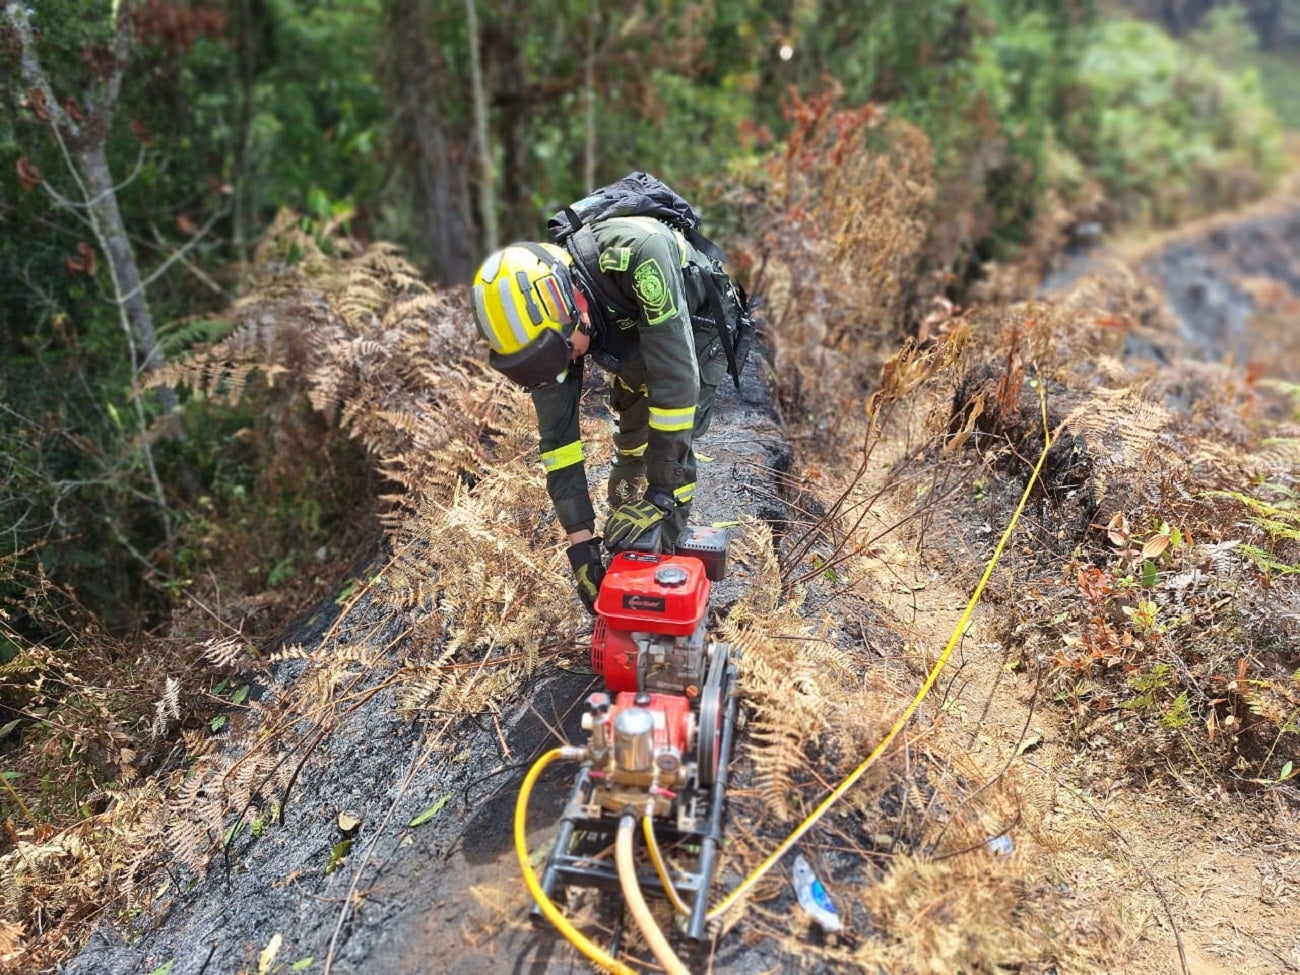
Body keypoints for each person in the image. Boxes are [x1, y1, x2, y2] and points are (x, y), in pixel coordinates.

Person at [470, 215, 734, 614]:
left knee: (672, 440)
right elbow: (558, 444)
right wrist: (581, 544)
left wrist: (660, 495)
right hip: (623, 331)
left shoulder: (640, 257)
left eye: (565, 353)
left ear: (573, 303)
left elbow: (677, 386)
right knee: (632, 444)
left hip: (694, 326)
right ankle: (627, 550)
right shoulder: (550, 336)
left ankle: (668, 564)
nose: (564, 364)